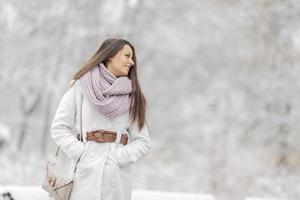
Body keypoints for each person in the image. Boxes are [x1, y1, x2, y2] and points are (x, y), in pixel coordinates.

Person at [50, 38, 151, 200]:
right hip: (83, 174)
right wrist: (80, 152)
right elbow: (59, 127)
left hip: (116, 178)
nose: (131, 62)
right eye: (127, 55)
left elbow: (143, 142)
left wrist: (118, 158)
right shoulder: (81, 86)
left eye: (132, 58)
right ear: (111, 55)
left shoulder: (133, 97)